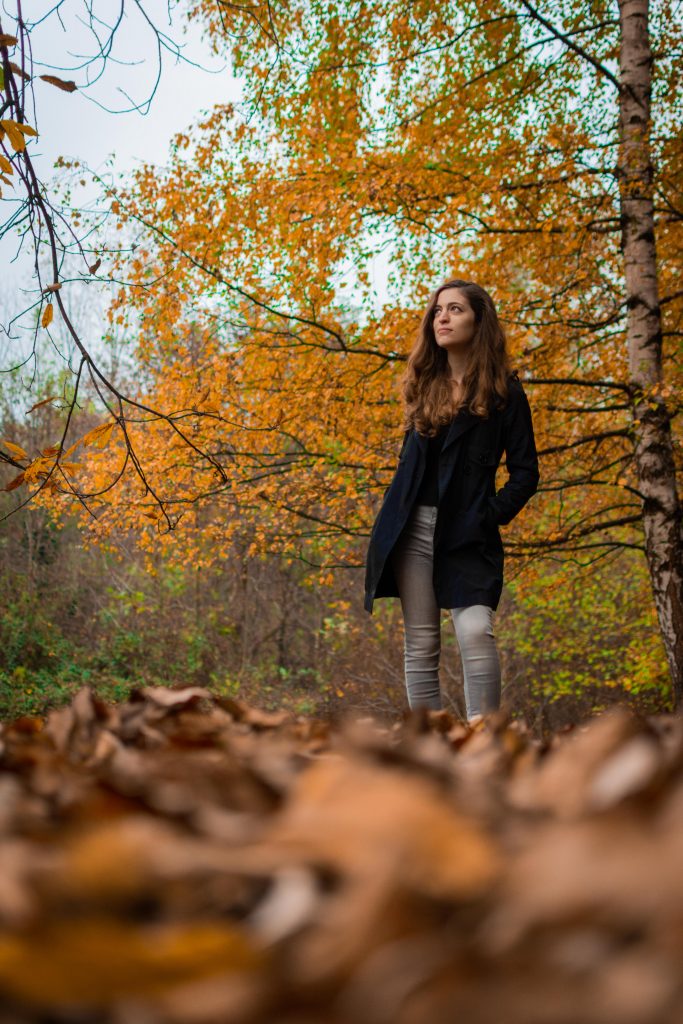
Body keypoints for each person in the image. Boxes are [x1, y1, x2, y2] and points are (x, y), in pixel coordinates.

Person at [364, 279, 539, 723]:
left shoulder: (506, 394)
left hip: (469, 533)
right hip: (412, 529)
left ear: (479, 322)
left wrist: (489, 515)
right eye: (438, 310)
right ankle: (432, 749)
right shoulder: (425, 385)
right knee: (421, 644)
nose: (442, 317)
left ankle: (484, 743)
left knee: (476, 631)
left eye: (456, 309)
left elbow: (525, 474)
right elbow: (408, 467)